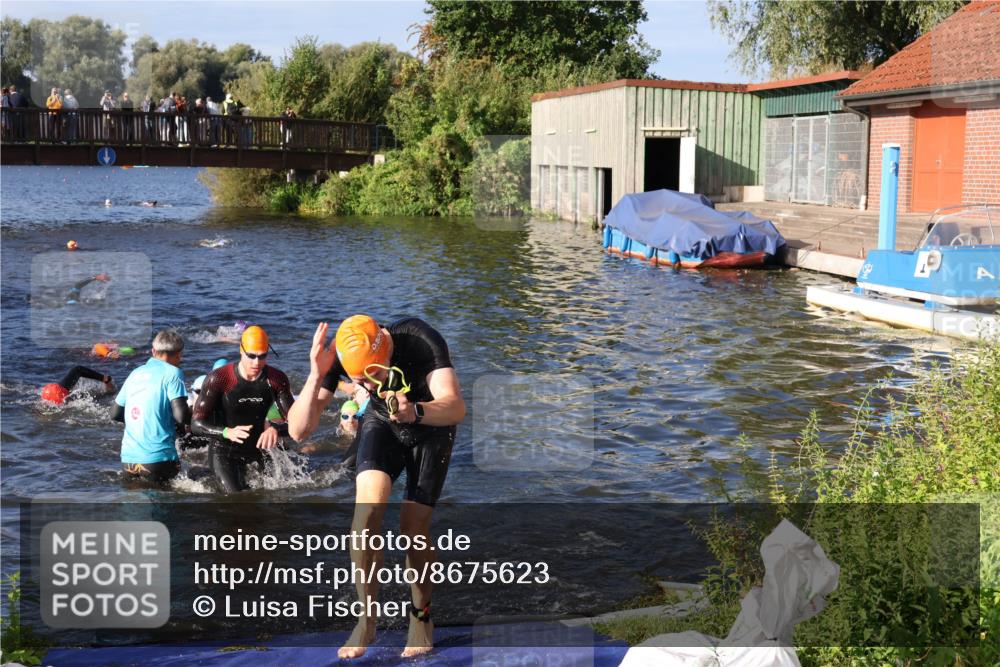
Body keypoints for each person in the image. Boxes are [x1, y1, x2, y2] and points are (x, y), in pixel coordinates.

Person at [287, 315, 465, 659]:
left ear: (386, 348)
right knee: (364, 518)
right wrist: (315, 375)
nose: (370, 386)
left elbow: (456, 406)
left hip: (430, 424)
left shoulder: (419, 338)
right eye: (360, 381)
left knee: (411, 528)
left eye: (375, 376)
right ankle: (367, 618)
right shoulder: (342, 354)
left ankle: (421, 615)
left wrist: (415, 410)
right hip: (383, 422)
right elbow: (297, 431)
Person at [191, 325, 295, 493]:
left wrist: (275, 428)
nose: (257, 362)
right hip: (223, 451)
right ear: (241, 350)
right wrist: (226, 432)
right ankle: (202, 472)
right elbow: (196, 424)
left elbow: (297, 425)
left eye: (262, 356)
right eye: (251, 356)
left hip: (259, 449)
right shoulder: (219, 379)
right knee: (235, 499)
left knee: (276, 496)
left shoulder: (276, 379)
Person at [112, 330, 189, 484]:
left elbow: (115, 413)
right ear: (179, 354)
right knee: (168, 506)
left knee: (133, 505)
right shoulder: (174, 373)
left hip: (128, 459)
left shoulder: (135, 373)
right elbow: (181, 416)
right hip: (159, 458)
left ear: (153, 351)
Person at [40, 366, 115, 405]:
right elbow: (78, 369)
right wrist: (105, 379)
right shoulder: (61, 394)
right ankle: (106, 379)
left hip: (47, 394)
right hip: (56, 392)